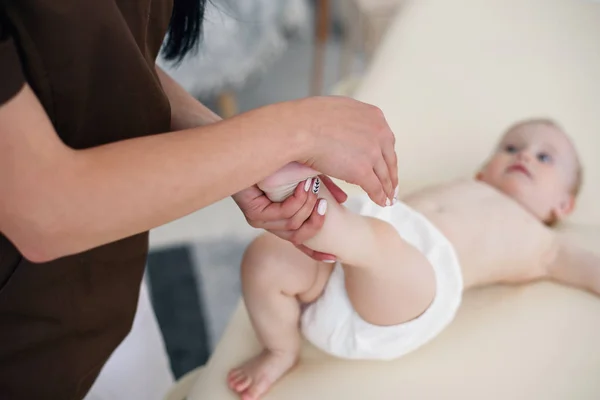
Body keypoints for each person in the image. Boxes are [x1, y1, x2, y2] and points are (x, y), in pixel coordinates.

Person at [0, 0, 399, 398]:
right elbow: (47, 212)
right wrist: (294, 132)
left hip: (101, 285)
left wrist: (242, 157)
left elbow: (98, 64)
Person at [227, 118, 600, 400]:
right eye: (511, 147)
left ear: (562, 205)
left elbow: (588, 267)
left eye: (544, 157)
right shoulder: (468, 186)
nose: (524, 155)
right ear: (483, 171)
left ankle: (309, 204)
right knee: (264, 258)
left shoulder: (544, 243)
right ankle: (280, 348)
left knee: (383, 244)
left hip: (407, 293)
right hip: (338, 264)